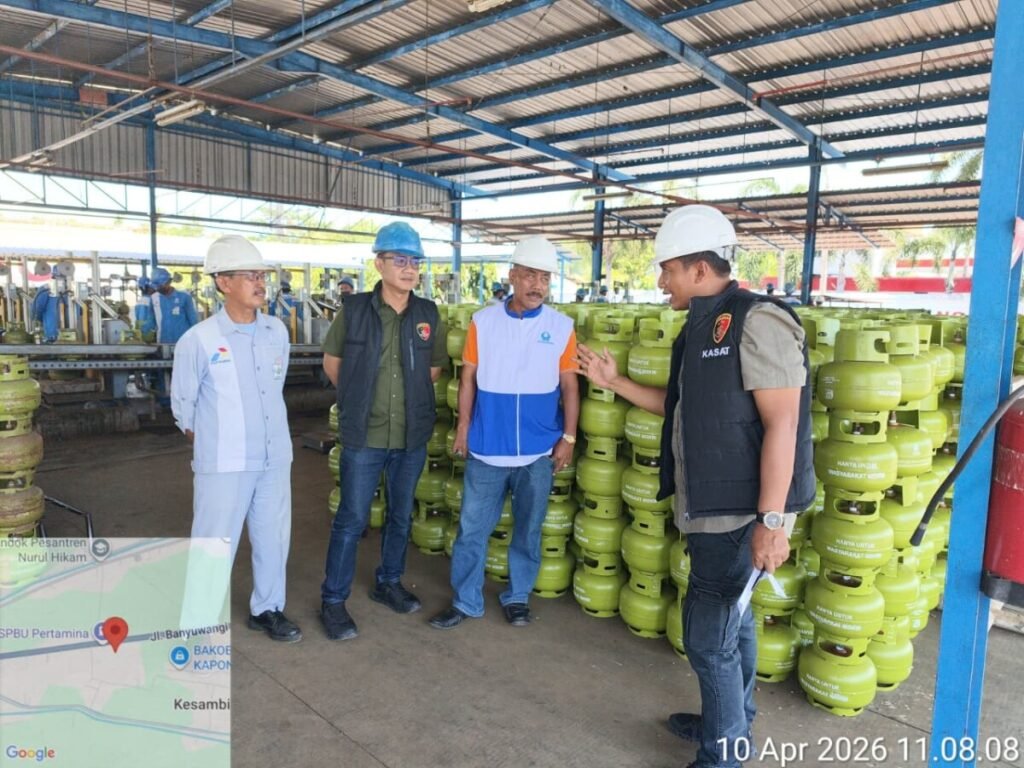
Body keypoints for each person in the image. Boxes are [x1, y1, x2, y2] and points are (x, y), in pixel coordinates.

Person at [575, 205, 814, 768]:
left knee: (707, 639)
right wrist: (615, 381)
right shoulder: (701, 326)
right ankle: (732, 722)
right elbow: (680, 409)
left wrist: (771, 522)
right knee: (733, 623)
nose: (662, 282)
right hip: (710, 507)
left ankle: (723, 753)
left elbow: (784, 423)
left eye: (668, 270)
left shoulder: (758, 321)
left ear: (700, 269)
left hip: (742, 513)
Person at [429, 236, 579, 630]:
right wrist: (463, 427)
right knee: (471, 531)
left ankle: (517, 597)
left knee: (528, 530)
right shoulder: (483, 322)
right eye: (529, 275)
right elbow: (468, 380)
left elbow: (569, 386)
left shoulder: (561, 327)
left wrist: (568, 437)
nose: (537, 285)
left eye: (544, 278)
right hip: (487, 448)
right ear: (512, 275)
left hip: (537, 451)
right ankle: (466, 601)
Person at [319, 221, 448, 641]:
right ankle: (333, 600)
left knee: (400, 514)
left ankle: (388, 582)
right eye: (400, 260)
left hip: (410, 436)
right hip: (365, 436)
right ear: (379, 263)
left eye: (415, 262)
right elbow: (333, 363)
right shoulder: (355, 310)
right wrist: (357, 398)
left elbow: (433, 370)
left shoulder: (427, 314)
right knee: (352, 518)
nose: (409, 269)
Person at [171, 235, 301, 643]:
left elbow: (274, 387)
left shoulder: (276, 331)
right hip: (224, 462)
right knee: (214, 542)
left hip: (274, 457)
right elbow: (184, 406)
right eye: (250, 276)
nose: (260, 283)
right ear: (223, 282)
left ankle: (268, 609)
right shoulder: (199, 340)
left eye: (262, 275)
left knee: (273, 539)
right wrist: (217, 442)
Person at [152, 266, 199, 343]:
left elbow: (193, 320)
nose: (158, 289)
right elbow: (151, 320)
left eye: (160, 286)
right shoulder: (154, 298)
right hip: (164, 342)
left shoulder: (184, 297)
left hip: (183, 341)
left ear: (168, 282)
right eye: (156, 287)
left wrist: (195, 339)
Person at [135, 276, 157, 342]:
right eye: (153, 287)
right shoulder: (150, 301)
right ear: (149, 288)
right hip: (149, 333)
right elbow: (150, 320)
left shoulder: (140, 301)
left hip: (140, 333)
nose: (155, 289)